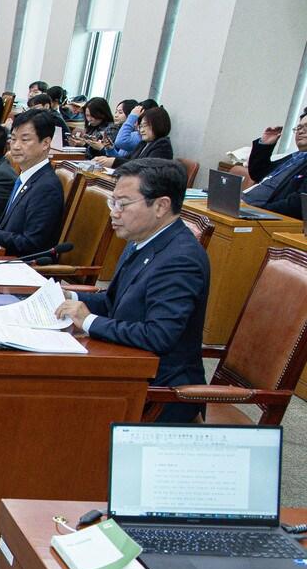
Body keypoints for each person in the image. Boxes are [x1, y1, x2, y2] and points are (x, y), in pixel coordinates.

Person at [55, 159, 209, 421]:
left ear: (161, 206)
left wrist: (88, 320)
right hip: (127, 367)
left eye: (123, 204)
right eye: (112, 202)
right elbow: (115, 302)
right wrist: (71, 296)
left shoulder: (181, 259)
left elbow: (158, 335)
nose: (114, 213)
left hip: (159, 392)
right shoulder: (142, 239)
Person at [0, 109, 64, 256]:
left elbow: (32, 243)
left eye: (25, 140)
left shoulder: (47, 187)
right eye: (14, 139)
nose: (15, 146)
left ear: (45, 143)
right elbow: (11, 226)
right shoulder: (25, 177)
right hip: (4, 255)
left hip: (23, 263)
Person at [243, 109, 307, 216]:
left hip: (269, 216)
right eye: (299, 127)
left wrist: (258, 209)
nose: (300, 131)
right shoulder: (296, 157)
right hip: (247, 206)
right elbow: (258, 174)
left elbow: (297, 204)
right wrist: (265, 145)